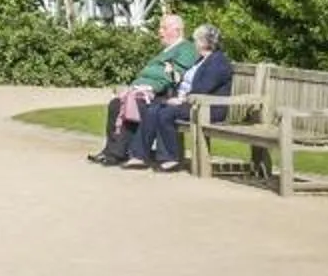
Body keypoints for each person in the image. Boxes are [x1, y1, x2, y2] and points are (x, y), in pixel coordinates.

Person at [90, 13, 195, 163]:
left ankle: (116, 153)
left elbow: (172, 76)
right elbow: (153, 71)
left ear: (177, 30)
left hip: (163, 95)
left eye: (163, 28)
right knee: (115, 104)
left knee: (133, 105)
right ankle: (111, 150)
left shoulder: (186, 49)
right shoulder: (167, 51)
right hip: (144, 91)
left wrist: (150, 86)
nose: (159, 32)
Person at [128, 25, 232, 172]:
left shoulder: (218, 62)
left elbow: (203, 88)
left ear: (204, 42)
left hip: (209, 108)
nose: (194, 43)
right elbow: (188, 82)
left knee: (165, 113)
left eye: (196, 40)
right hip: (192, 103)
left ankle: (171, 158)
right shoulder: (201, 60)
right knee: (153, 110)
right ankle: (139, 155)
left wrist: (181, 99)